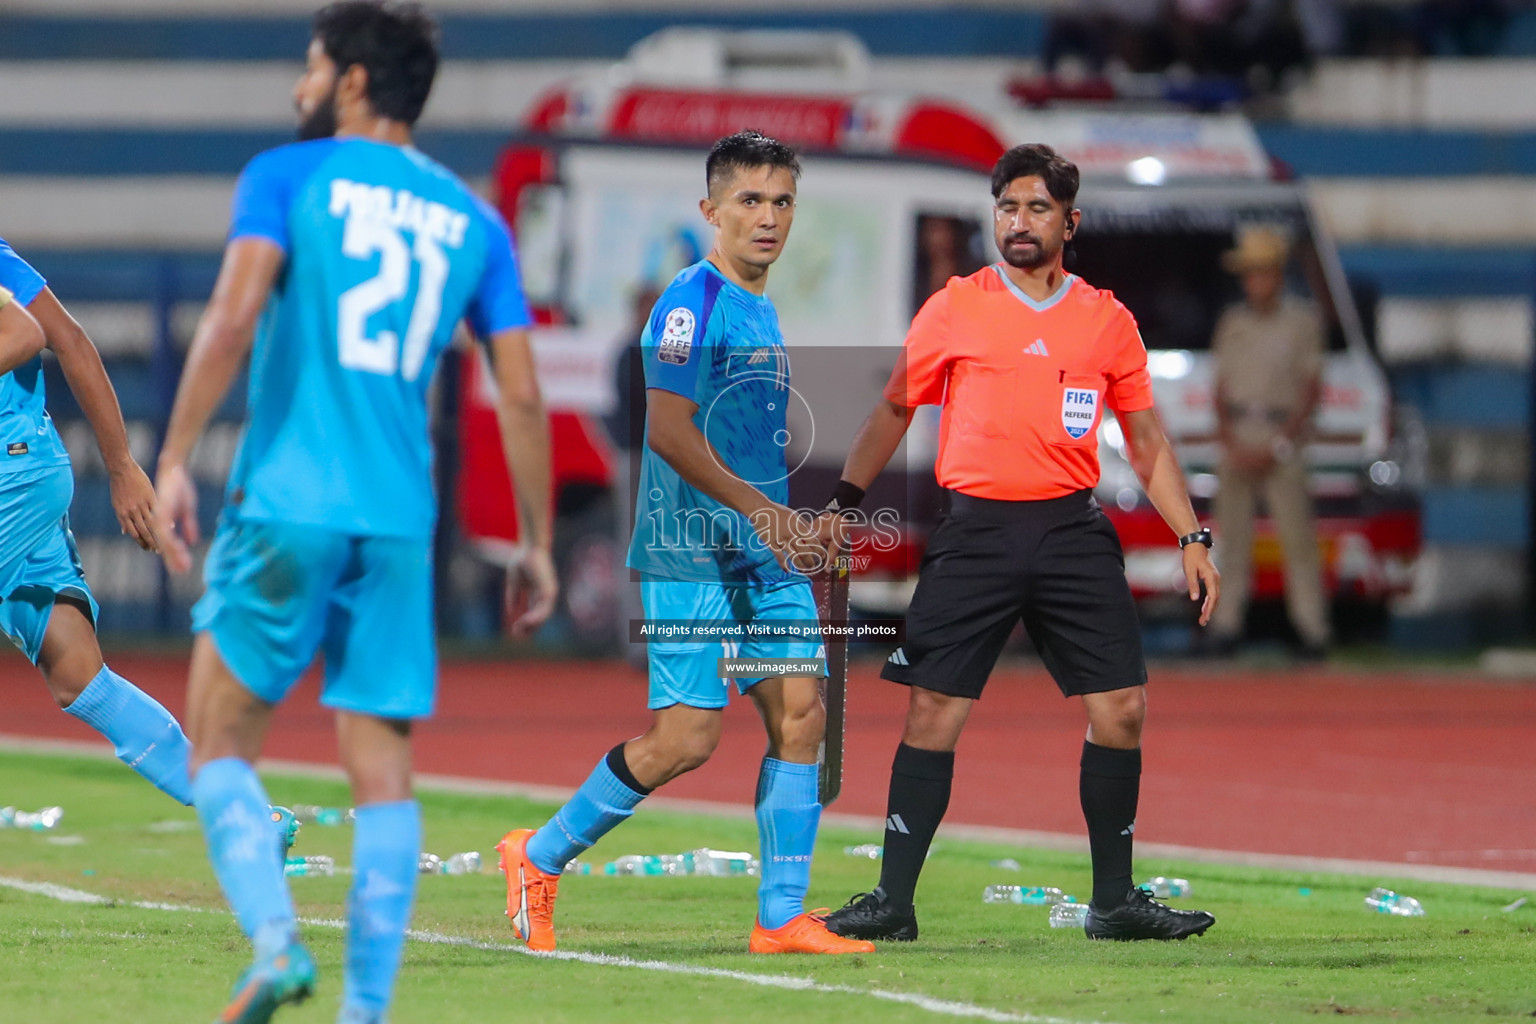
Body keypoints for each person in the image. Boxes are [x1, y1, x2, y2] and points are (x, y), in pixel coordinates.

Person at [152, 4, 556, 1021]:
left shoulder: (287, 177)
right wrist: (540, 544)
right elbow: (519, 392)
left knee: (217, 748)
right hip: (398, 521)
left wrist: (169, 454)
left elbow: (238, 312)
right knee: (381, 766)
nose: (300, 86)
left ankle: (279, 941)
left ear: (357, 83)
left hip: (288, 499)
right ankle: (365, 1011)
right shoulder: (476, 221)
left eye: (312, 66)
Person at [819, 143, 1220, 943]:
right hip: (976, 532)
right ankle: (893, 903)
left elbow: (1146, 443)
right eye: (1007, 207)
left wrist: (1192, 535)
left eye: (1036, 208)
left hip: (1072, 529)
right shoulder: (955, 306)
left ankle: (1113, 904)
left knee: (1123, 709)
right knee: (933, 710)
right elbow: (895, 410)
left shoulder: (1106, 320)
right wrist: (844, 501)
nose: (1019, 221)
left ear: (1070, 222)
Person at [496, 130, 874, 957]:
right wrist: (765, 517)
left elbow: (749, 442)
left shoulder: (761, 306)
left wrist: (799, 528)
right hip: (689, 550)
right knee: (685, 741)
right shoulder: (687, 303)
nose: (767, 218)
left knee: (801, 716)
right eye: (749, 200)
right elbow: (666, 431)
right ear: (711, 210)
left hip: (762, 551)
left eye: (781, 202)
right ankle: (537, 854)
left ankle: (779, 918)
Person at [0, 239, 193, 808]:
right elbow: (73, 342)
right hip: (31, 468)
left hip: (8, 474)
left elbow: (27, 333)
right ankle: (245, 817)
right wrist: (120, 468)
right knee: (78, 675)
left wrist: (122, 467)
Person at [1207, 226, 1330, 658]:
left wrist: (1280, 441)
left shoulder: (1302, 323)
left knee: (1297, 538)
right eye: (1248, 273)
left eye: (1261, 272)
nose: (1254, 281)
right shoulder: (1233, 322)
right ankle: (1225, 625)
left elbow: (1311, 389)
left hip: (1282, 438)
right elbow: (1219, 388)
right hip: (1239, 434)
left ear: (1277, 275)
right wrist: (1229, 439)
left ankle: (1311, 629)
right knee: (1231, 538)